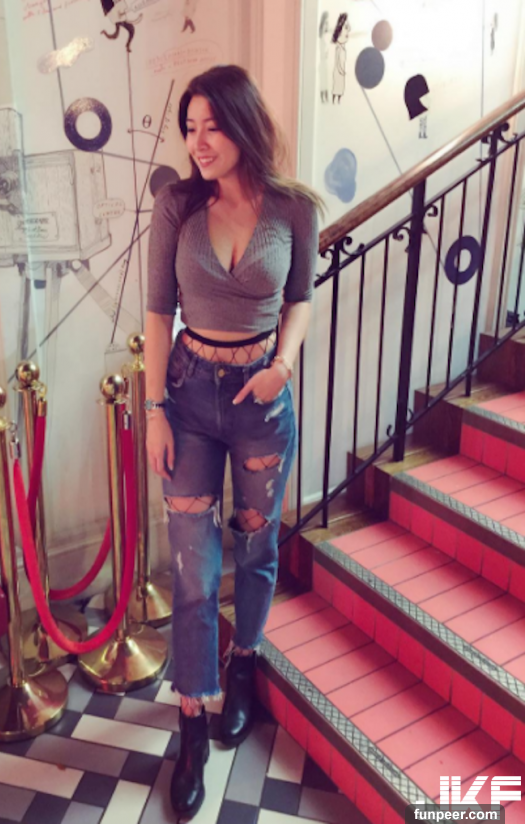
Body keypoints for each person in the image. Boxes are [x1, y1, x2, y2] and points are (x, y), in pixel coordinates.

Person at [145, 65, 322, 818]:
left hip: (261, 398)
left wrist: (284, 364)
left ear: (244, 124)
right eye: (190, 128)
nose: (199, 142)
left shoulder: (294, 209)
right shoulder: (178, 205)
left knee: (256, 546)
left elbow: (301, 298)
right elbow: (158, 312)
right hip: (187, 395)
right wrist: (154, 408)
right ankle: (192, 719)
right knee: (193, 568)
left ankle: (243, 665)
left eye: (212, 126)